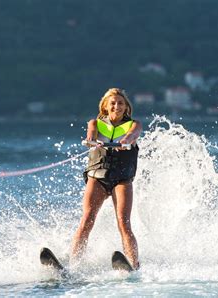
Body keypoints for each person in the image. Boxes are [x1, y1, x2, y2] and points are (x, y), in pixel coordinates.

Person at [71, 87, 142, 270]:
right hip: (98, 177)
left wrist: (126, 141)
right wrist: (92, 141)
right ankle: (74, 265)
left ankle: (134, 265)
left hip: (122, 180)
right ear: (105, 106)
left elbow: (132, 135)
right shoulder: (95, 123)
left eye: (120, 103)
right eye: (112, 103)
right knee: (87, 220)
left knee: (124, 223)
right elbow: (91, 133)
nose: (116, 106)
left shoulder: (134, 124)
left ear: (126, 107)